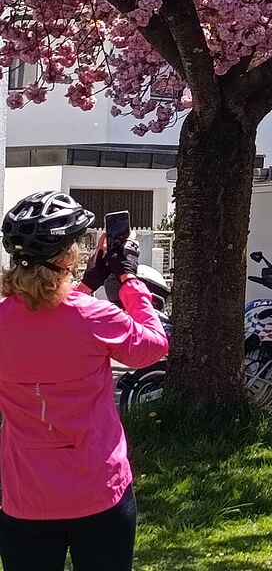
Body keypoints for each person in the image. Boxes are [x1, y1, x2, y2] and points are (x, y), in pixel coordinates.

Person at [0, 190, 169, 571]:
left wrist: (87, 284)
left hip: (26, 496)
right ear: (67, 256)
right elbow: (154, 345)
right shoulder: (95, 318)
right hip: (99, 490)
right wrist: (128, 279)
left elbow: (45, 322)